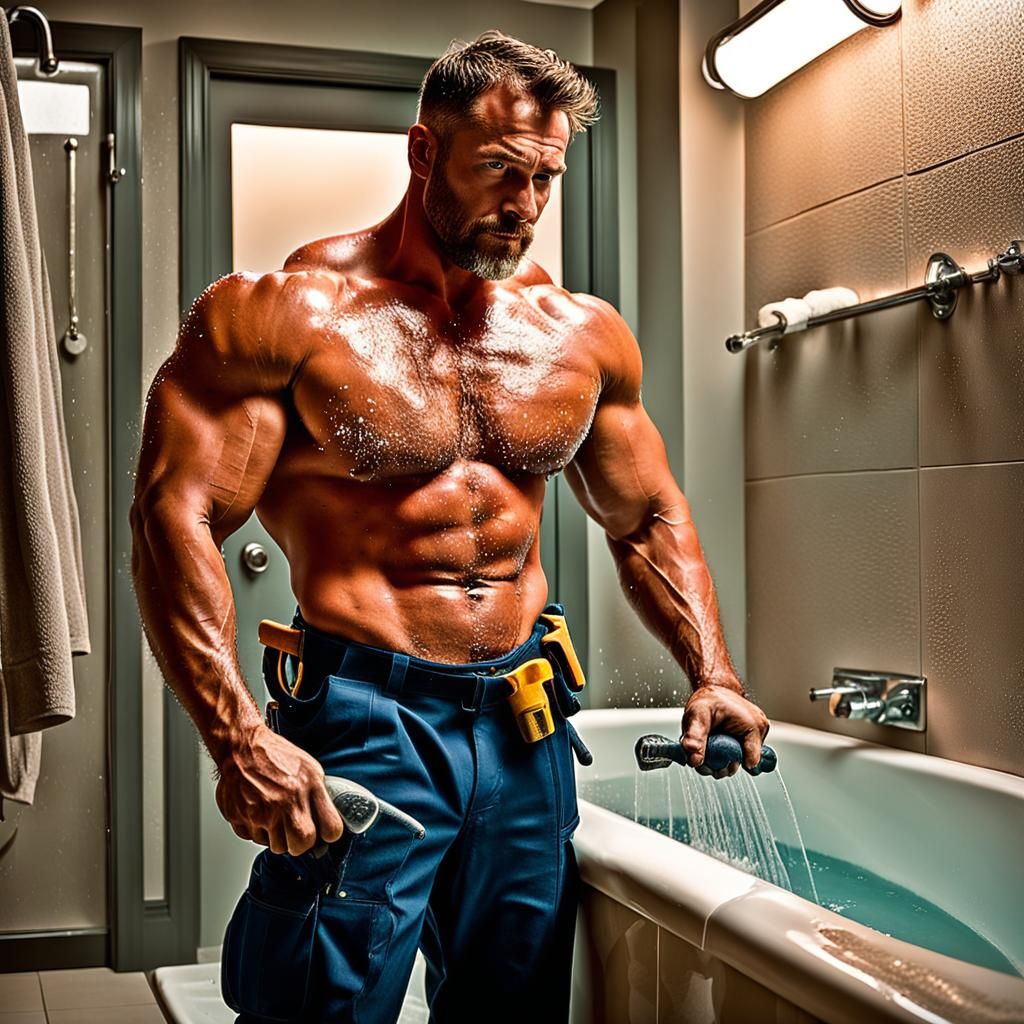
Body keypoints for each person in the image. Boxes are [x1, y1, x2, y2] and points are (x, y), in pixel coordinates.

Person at [130, 29, 769, 1024]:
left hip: (525, 726)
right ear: (425, 151)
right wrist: (237, 738)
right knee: (320, 1003)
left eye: (545, 178)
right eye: (499, 172)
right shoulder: (290, 316)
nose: (524, 206)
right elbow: (173, 516)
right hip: (365, 720)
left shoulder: (578, 335)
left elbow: (643, 516)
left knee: (510, 1004)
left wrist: (712, 673)